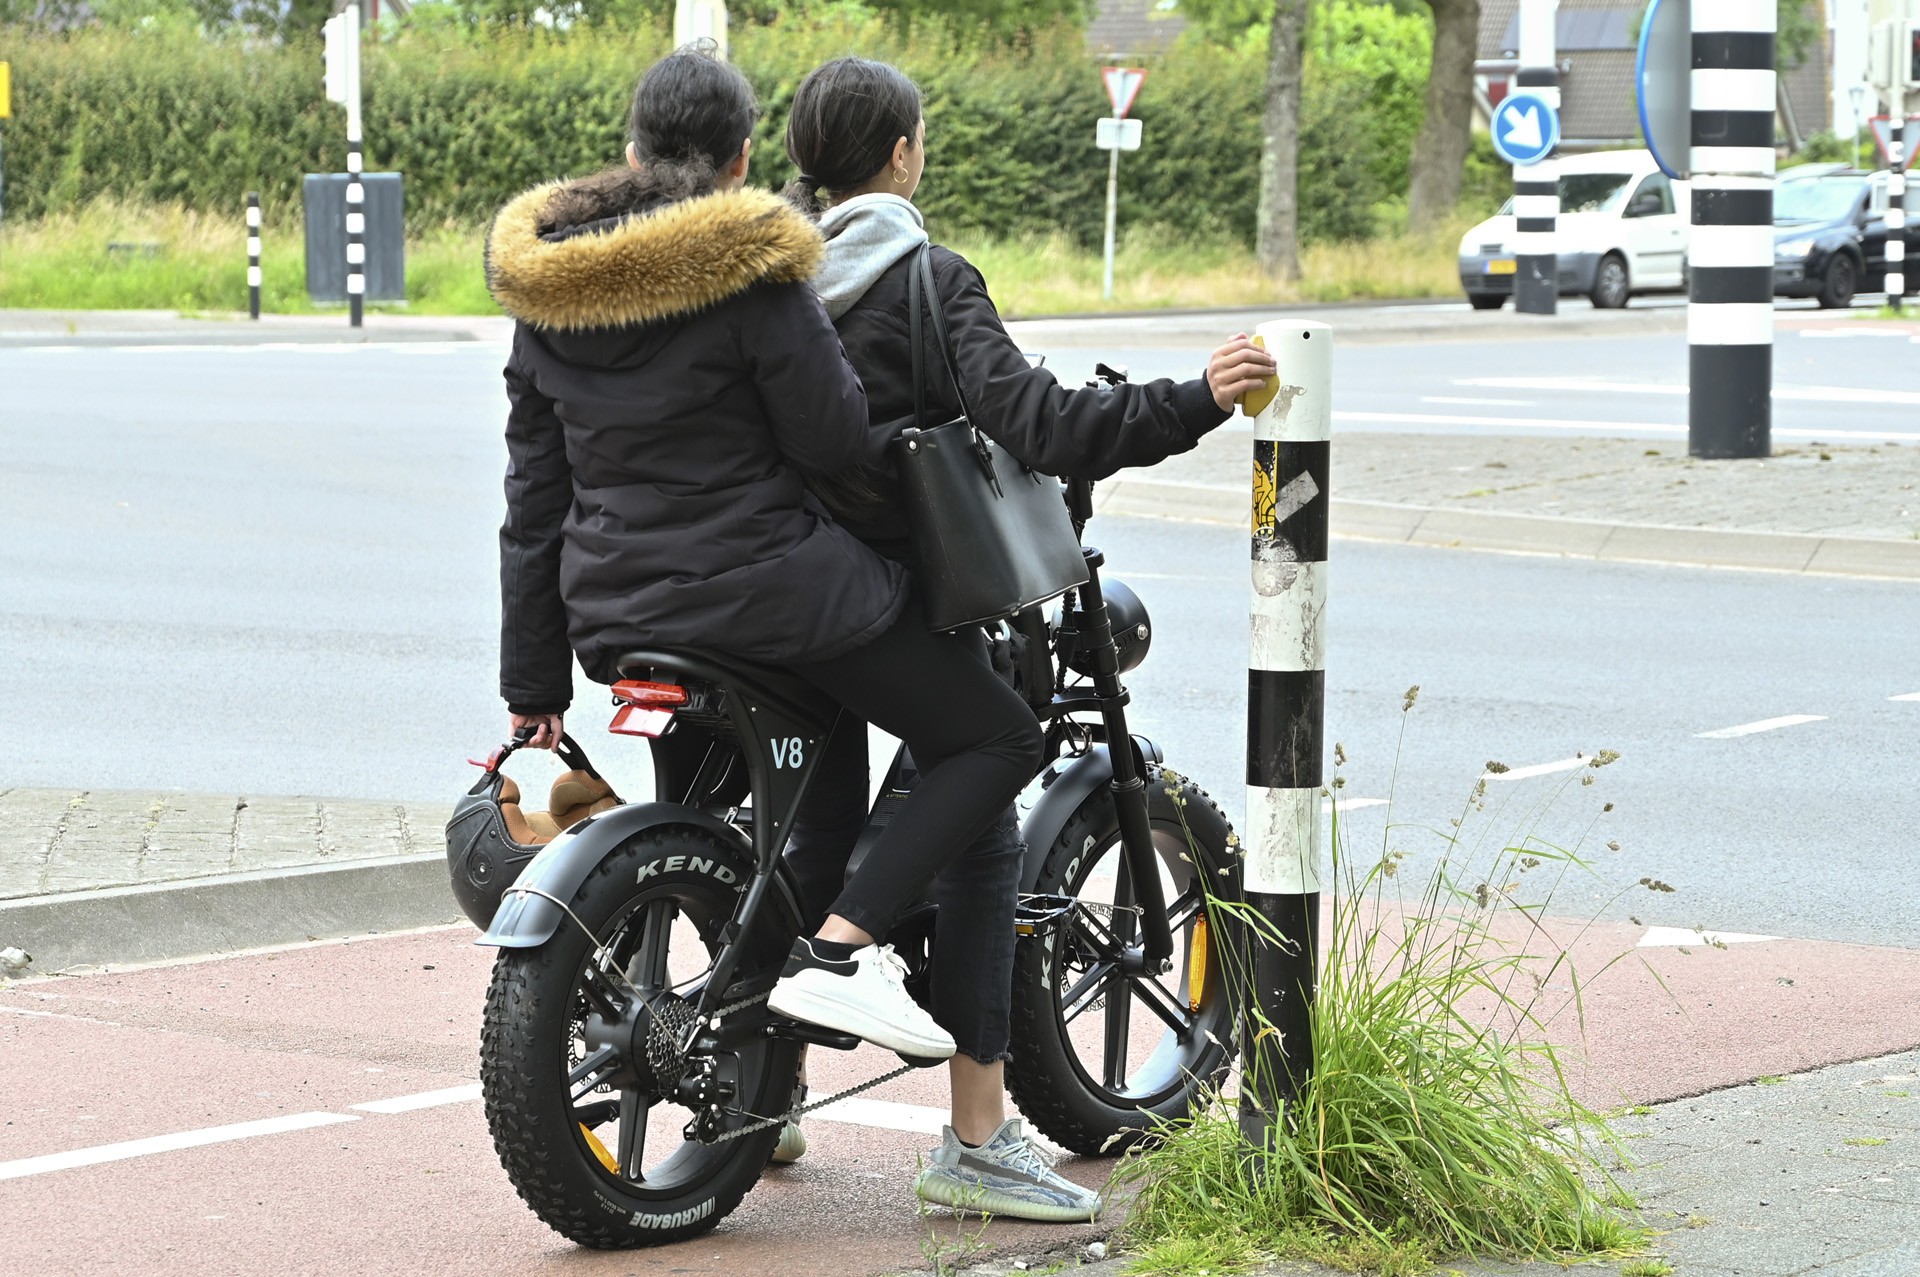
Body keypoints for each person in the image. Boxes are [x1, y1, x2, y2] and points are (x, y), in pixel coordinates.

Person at [769, 57, 1277, 1223]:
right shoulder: (926, 279)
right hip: (885, 600)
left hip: (751, 596)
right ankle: (972, 1127)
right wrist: (1198, 393)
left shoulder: (769, 283)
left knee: (806, 827)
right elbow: (1046, 423)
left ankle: (774, 1077)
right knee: (993, 761)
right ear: (901, 155)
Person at [488, 46, 1045, 1076]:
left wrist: (534, 685)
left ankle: (762, 1086)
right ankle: (844, 952)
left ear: (630, 151)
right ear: (744, 160)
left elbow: (535, 503)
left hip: (620, 619)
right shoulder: (752, 272)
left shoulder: (548, 301)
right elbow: (833, 441)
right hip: (769, 596)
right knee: (998, 734)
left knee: (794, 814)